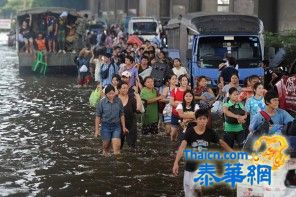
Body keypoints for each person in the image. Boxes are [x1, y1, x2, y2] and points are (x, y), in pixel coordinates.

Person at [172, 109, 233, 197]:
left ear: (207, 120)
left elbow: (222, 143)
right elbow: (182, 147)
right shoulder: (189, 132)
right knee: (189, 193)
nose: (202, 121)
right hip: (189, 166)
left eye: (204, 119)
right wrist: (176, 163)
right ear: (196, 120)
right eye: (200, 119)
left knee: (197, 186)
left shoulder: (210, 132)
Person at [95, 85, 128, 156]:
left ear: (115, 93)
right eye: (109, 94)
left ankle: (118, 161)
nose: (111, 95)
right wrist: (97, 130)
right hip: (105, 126)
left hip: (116, 125)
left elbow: (122, 114)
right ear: (106, 94)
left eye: (112, 93)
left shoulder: (118, 101)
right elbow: (98, 117)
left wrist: (123, 127)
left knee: (117, 146)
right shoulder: (101, 102)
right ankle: (105, 155)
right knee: (106, 145)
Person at [118, 81, 142, 149]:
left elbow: (138, 109)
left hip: (131, 124)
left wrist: (137, 95)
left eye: (126, 88)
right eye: (123, 88)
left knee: (132, 146)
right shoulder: (115, 99)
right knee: (118, 146)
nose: (125, 89)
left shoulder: (131, 98)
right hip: (118, 125)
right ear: (119, 89)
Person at [170, 74, 190, 141]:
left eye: (186, 80)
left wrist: (178, 102)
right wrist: (182, 104)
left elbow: (190, 103)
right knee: (173, 134)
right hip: (175, 114)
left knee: (185, 133)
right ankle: (173, 144)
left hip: (185, 115)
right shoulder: (174, 90)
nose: (185, 82)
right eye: (183, 80)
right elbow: (171, 103)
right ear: (179, 81)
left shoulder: (189, 91)